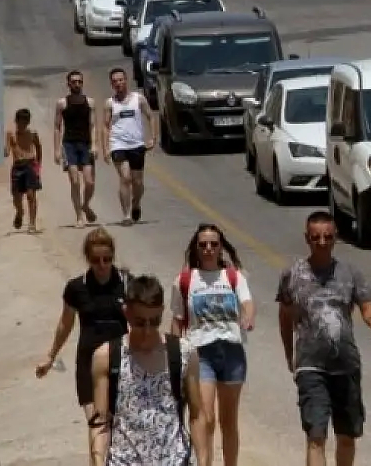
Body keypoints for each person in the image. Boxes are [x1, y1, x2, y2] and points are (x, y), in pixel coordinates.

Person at [275, 211, 371, 466]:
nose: (322, 242)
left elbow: (367, 306)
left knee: (347, 437)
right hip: (310, 366)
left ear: (336, 238)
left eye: (327, 237)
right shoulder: (292, 275)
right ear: (307, 239)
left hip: (345, 365)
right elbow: (285, 317)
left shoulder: (351, 273)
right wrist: (288, 354)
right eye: (316, 238)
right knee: (316, 436)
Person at [90, 273, 203, 466]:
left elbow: (198, 416)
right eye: (140, 322)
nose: (148, 330)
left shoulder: (183, 353)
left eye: (155, 321)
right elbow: (100, 424)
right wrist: (98, 460)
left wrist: (204, 460)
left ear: (162, 311)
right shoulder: (107, 357)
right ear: (126, 313)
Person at [37, 228, 129, 458]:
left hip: (122, 360)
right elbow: (65, 324)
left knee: (120, 427)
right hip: (89, 361)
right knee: (97, 423)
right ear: (88, 259)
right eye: (96, 260)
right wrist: (50, 356)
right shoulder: (76, 288)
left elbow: (142, 322)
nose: (102, 265)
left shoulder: (126, 283)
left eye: (107, 259)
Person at [170, 224, 254, 466]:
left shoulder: (233, 276)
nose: (208, 249)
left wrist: (248, 317)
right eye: (203, 244)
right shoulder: (185, 280)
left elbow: (247, 302)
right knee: (204, 417)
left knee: (229, 420)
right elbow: (176, 320)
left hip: (231, 351)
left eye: (213, 244)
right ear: (196, 248)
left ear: (221, 247)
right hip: (199, 353)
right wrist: (175, 356)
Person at [101, 67, 158, 226]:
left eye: (121, 80)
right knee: (125, 178)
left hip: (137, 144)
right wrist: (106, 148)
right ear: (112, 84)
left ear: (126, 80)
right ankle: (126, 215)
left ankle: (136, 203)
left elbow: (151, 117)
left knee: (137, 182)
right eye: (115, 81)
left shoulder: (138, 99)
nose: (118, 83)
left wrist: (153, 138)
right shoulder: (110, 103)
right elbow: (105, 126)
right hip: (118, 144)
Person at [54, 70, 99, 228]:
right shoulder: (62, 103)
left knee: (89, 181)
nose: (77, 84)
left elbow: (93, 125)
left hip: (86, 144)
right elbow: (57, 127)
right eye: (74, 81)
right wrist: (57, 150)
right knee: (74, 181)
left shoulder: (90, 102)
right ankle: (79, 216)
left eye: (79, 81)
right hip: (69, 144)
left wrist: (94, 144)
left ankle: (85, 205)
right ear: (68, 84)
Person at [4, 108, 43, 232]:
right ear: (16, 121)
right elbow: (7, 151)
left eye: (26, 121)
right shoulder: (11, 134)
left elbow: (38, 147)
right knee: (16, 197)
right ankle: (20, 212)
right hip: (17, 167)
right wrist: (4, 150)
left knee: (31, 195)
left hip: (30, 165)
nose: (23, 124)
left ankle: (32, 223)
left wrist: (38, 164)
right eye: (21, 121)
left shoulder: (33, 134)